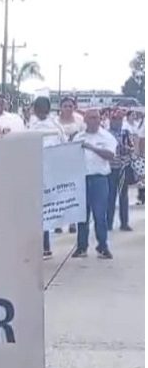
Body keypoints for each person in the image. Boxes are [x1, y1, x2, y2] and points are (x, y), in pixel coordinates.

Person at [73, 108, 117, 259]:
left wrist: (92, 148)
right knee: (82, 215)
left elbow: (110, 155)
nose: (94, 120)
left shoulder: (106, 137)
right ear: (85, 120)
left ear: (100, 119)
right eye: (90, 118)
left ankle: (102, 246)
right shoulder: (78, 137)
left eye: (96, 118)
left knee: (99, 215)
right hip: (82, 179)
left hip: (99, 179)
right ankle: (81, 246)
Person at [28, 96, 67, 259]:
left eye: (44, 109)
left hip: (51, 173)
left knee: (47, 210)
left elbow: (63, 145)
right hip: (34, 172)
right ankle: (42, 245)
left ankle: (45, 245)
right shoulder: (30, 125)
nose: (41, 112)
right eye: (39, 109)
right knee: (37, 211)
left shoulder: (55, 126)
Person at [55, 96, 85, 234]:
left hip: (75, 159)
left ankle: (72, 222)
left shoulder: (79, 120)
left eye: (70, 106)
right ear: (60, 107)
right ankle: (58, 221)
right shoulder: (54, 122)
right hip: (58, 159)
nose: (68, 108)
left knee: (73, 191)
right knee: (59, 191)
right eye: (65, 106)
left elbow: (85, 135)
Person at [106, 109, 134, 231]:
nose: (116, 122)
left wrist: (125, 148)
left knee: (123, 196)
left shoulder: (126, 133)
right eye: (114, 119)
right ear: (110, 120)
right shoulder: (105, 133)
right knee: (110, 196)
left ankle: (124, 223)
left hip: (123, 168)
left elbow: (132, 148)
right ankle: (109, 223)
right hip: (110, 168)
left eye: (119, 119)